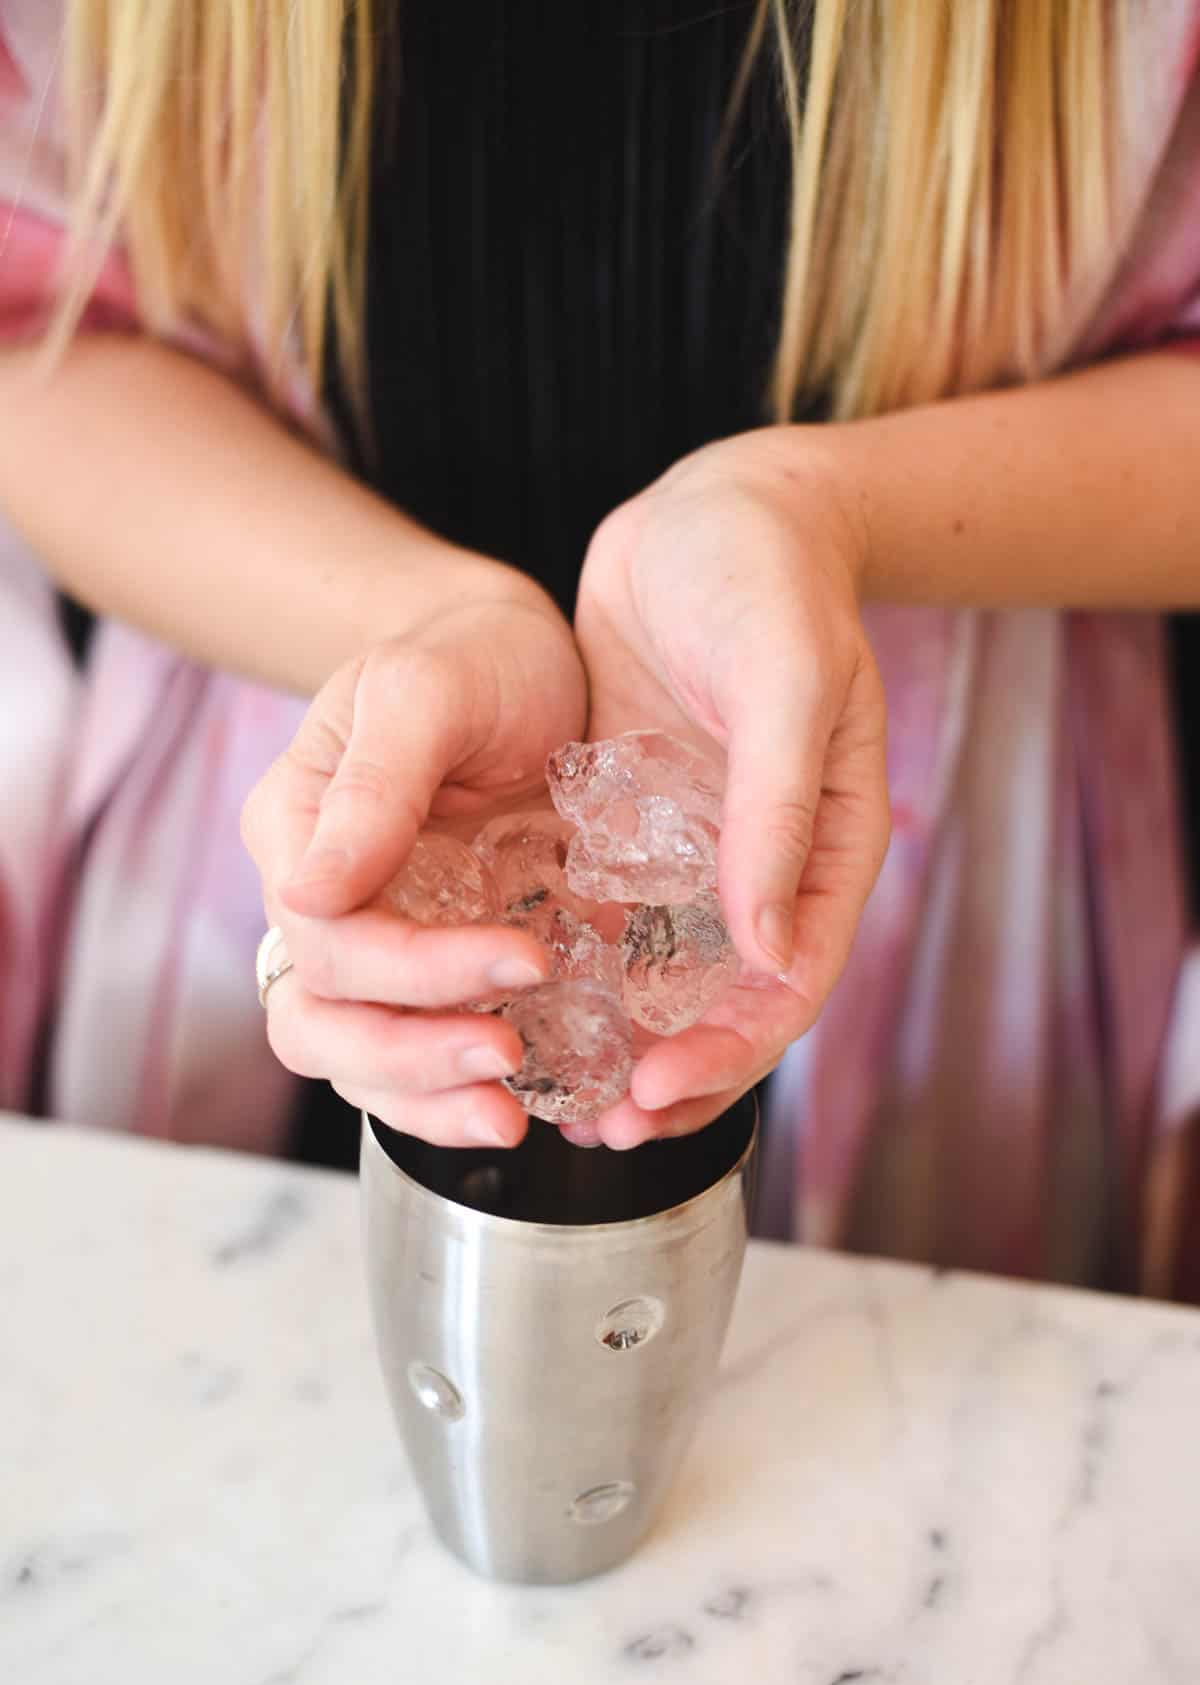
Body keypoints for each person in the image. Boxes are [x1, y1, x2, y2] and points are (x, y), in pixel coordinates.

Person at [1, 3, 1198, 1295]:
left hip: (946, 869)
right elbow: (39, 328)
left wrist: (828, 513)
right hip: (305, 780)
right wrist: (415, 626)